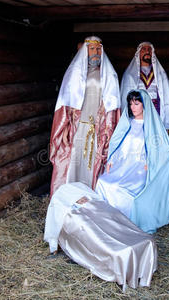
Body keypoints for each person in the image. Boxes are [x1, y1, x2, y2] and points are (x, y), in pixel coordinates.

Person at [43, 90, 169, 290]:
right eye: (131, 104)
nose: (132, 107)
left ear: (144, 105)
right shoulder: (128, 124)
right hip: (123, 165)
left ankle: (126, 223)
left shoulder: (152, 127)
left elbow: (164, 151)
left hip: (140, 170)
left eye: (136, 104)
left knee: (123, 189)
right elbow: (119, 146)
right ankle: (107, 220)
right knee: (105, 182)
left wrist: (151, 163)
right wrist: (112, 160)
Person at [49, 36, 120, 196]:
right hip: (78, 127)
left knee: (92, 163)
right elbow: (67, 103)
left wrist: (105, 129)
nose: (96, 52)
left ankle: (90, 198)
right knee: (73, 162)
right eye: (92, 49)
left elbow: (111, 105)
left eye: (98, 49)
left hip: (97, 128)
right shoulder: (75, 73)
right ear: (85, 51)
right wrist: (66, 127)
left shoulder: (108, 75)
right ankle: (70, 198)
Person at [120, 42, 169, 148]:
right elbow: (126, 99)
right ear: (138, 54)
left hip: (156, 112)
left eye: (149, 49)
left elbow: (166, 98)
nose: (147, 51)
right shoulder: (130, 75)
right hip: (138, 113)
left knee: (155, 143)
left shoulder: (160, 74)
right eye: (144, 49)